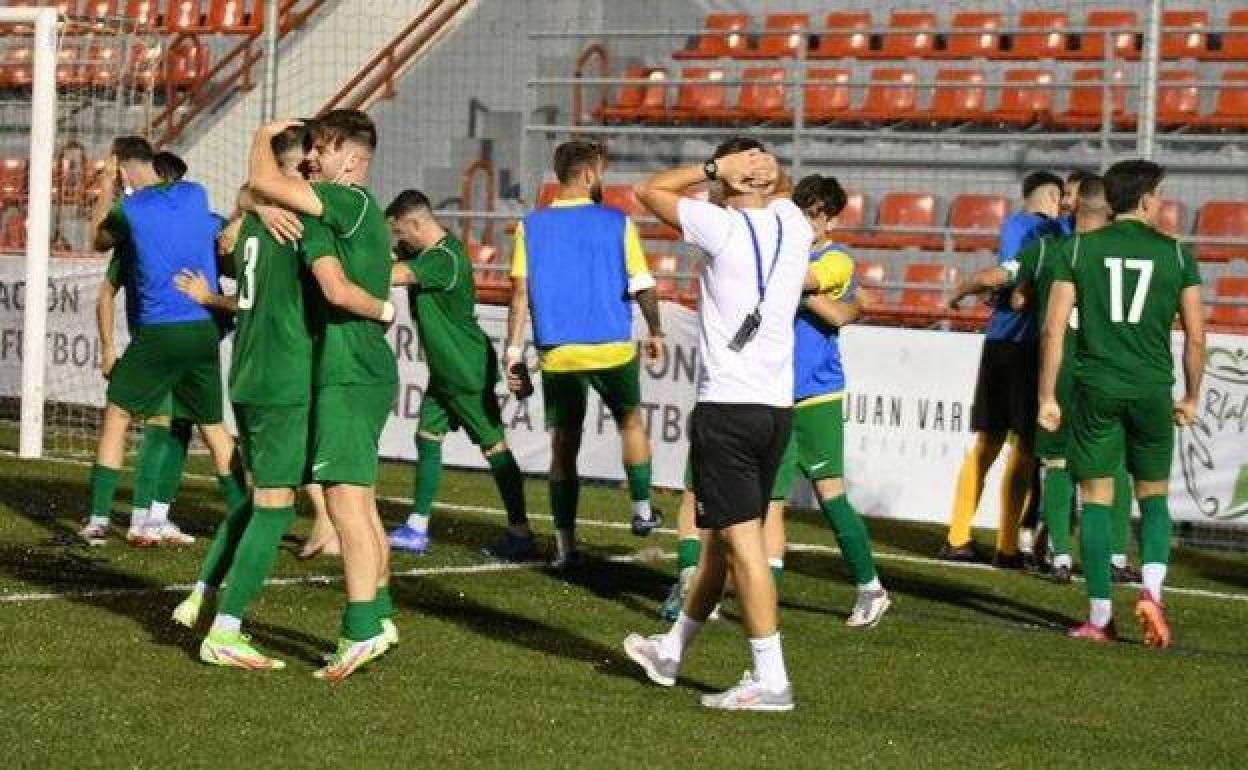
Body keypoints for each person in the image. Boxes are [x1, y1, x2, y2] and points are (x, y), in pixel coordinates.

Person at [624, 138, 813, 712]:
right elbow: (775, 194)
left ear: (728, 181)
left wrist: (713, 169)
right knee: (720, 543)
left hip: (728, 407)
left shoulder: (719, 225)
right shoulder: (794, 222)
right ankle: (672, 650)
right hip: (775, 410)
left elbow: (647, 191)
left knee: (741, 542)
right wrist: (762, 175)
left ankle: (771, 677)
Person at [166, 124, 335, 670]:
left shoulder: (250, 229)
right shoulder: (301, 221)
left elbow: (242, 268)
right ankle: (228, 629)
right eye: (314, 159)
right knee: (276, 508)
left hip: (246, 373)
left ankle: (202, 592)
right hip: (283, 377)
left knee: (255, 501)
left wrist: (252, 209)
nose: (319, 168)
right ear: (303, 165)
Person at [248, 110, 399, 680]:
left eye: (319, 149)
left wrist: (264, 136)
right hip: (355, 366)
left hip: (350, 367)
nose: (309, 158)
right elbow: (265, 195)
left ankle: (360, 630)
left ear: (350, 157)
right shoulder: (336, 216)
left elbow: (267, 182)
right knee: (357, 500)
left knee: (344, 504)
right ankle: (379, 617)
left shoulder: (351, 201)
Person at [1038, 159, 1205, 647]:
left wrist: (1048, 395)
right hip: (1153, 389)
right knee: (1153, 495)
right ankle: (1151, 591)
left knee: (1095, 498)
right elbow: (1196, 337)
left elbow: (1052, 329)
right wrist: (1192, 395)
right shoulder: (1176, 254)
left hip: (1096, 388)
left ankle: (1100, 616)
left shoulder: (1079, 247)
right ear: (1148, 199)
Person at [503, 140, 665, 569]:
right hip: (611, 346)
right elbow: (642, 283)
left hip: (559, 352)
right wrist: (656, 330)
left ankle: (565, 544)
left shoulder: (531, 226)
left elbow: (519, 294)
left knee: (563, 446)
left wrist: (513, 352)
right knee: (631, 422)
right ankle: (642, 509)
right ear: (590, 175)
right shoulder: (617, 222)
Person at [79, 137, 244, 548]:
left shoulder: (132, 214)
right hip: (204, 330)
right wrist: (242, 217)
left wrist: (105, 184)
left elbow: (97, 239)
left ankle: (103, 519)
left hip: (159, 334)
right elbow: (230, 243)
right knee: (211, 428)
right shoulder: (199, 201)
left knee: (119, 415)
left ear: (122, 168)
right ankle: (240, 519)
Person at [383, 190, 533, 560]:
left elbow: (394, 274)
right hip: (448, 370)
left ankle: (521, 532)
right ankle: (417, 526)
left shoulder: (442, 260)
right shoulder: (435, 251)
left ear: (416, 224)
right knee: (427, 436)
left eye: (400, 232)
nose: (398, 240)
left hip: (464, 370)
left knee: (494, 446)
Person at [1012, 176, 1136, 583]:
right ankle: (1116, 557)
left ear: (1076, 205)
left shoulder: (1050, 248)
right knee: (1112, 467)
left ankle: (1061, 555)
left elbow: (1016, 296)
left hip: (1062, 369)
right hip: (1110, 370)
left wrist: (966, 287)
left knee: (1058, 462)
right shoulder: (1126, 258)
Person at [941, 171, 1065, 567]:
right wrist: (1004, 290)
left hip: (1008, 345)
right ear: (1052, 196)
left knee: (1006, 445)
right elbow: (1013, 275)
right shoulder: (1029, 226)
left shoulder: (1029, 226)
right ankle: (992, 542)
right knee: (1016, 446)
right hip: (1019, 347)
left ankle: (977, 539)